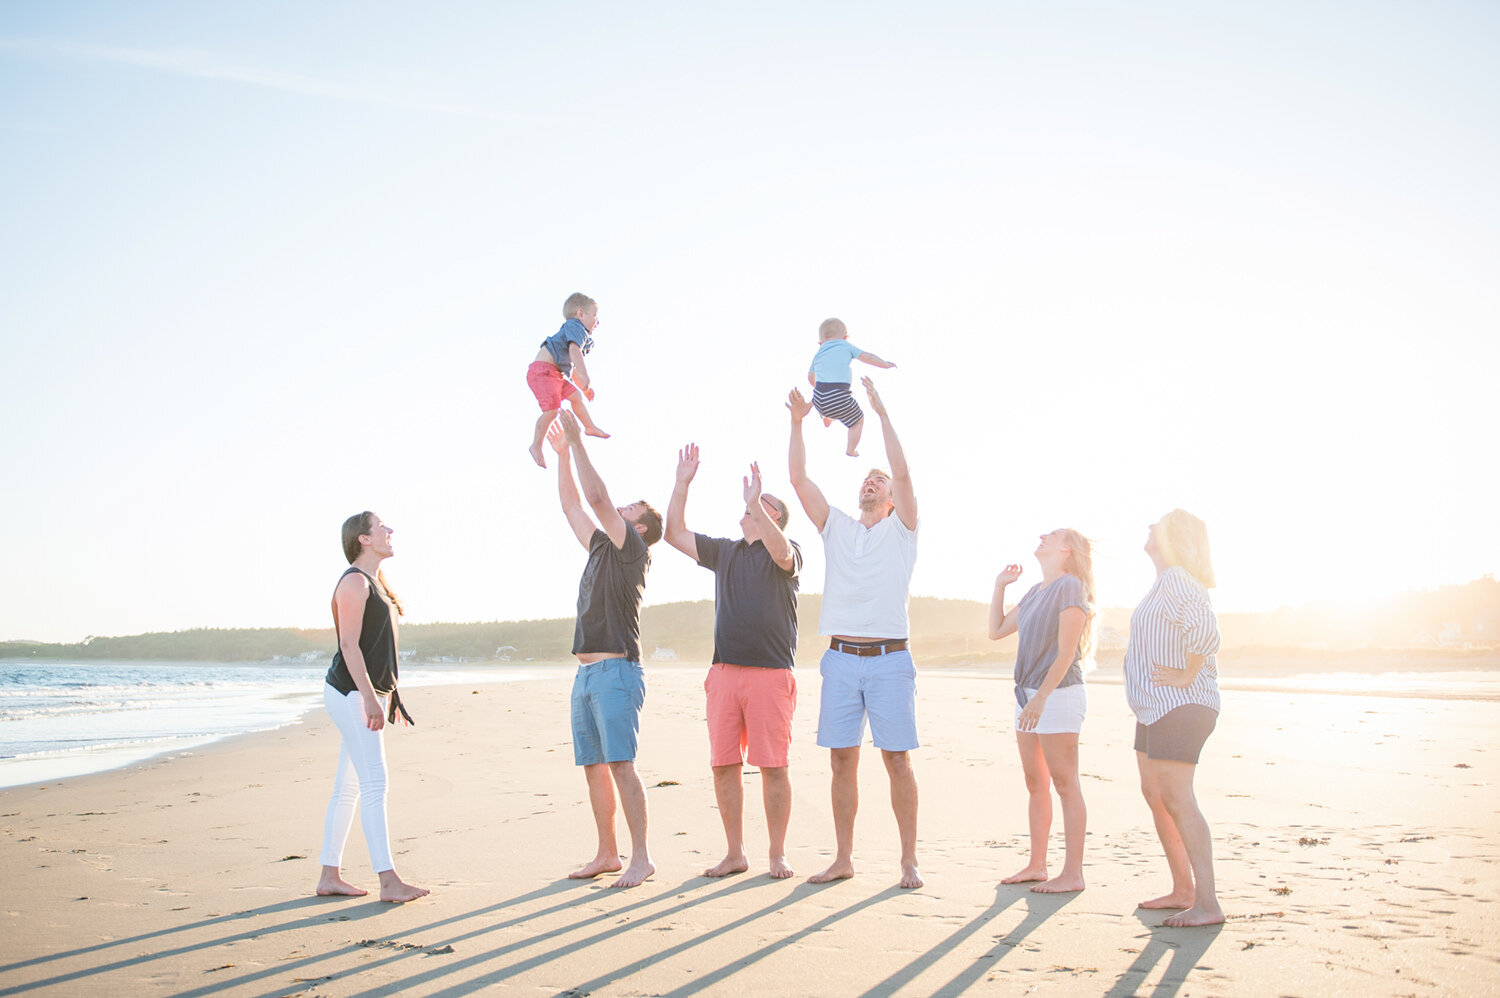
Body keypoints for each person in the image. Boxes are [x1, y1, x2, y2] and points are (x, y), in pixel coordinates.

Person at [787, 375, 923, 889]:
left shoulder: (903, 529)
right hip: (841, 658)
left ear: (891, 497)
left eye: (879, 480)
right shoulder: (838, 527)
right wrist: (798, 423)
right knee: (841, 761)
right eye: (866, 478)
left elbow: (905, 472)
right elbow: (799, 480)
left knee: (896, 760)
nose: (871, 482)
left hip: (890, 659)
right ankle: (843, 858)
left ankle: (908, 860)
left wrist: (881, 415)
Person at [663, 445, 802, 879]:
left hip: (770, 674)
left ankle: (777, 853)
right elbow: (673, 532)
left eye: (763, 508)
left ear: (773, 517)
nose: (751, 511)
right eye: (748, 507)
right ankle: (735, 853)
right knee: (724, 764)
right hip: (724, 673)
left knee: (773, 766)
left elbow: (782, 554)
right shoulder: (725, 552)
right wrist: (683, 482)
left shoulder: (787, 550)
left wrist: (756, 504)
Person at [548, 411, 664, 888]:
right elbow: (574, 506)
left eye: (630, 508)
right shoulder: (600, 546)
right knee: (594, 768)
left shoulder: (633, 551)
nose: (622, 507)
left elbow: (596, 499)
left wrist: (577, 441)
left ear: (638, 528)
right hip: (585, 675)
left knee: (621, 766)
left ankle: (642, 858)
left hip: (617, 671)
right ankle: (607, 854)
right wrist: (561, 458)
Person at [315, 511, 429, 903]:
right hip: (350, 693)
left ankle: (329, 875)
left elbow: (379, 648)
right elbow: (349, 645)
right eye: (381, 526)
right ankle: (388, 881)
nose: (389, 530)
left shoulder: (375, 584)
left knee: (348, 787)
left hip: (364, 693)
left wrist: (389, 696)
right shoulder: (353, 582)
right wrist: (367, 697)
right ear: (363, 539)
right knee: (374, 784)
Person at [1126, 509, 1224, 927]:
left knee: (1178, 798)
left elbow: (1207, 632)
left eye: (1157, 525)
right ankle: (1183, 888)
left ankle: (1207, 903)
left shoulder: (1178, 579)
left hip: (1180, 705)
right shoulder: (1163, 583)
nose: (1149, 527)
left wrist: (1186, 674)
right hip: (1155, 707)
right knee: (1157, 793)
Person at [987, 529, 1096, 893]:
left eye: (1051, 536)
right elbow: (997, 630)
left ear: (1066, 548)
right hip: (1027, 694)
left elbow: (1067, 653)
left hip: (1058, 694)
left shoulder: (1070, 586)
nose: (1042, 537)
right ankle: (1037, 864)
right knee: (1036, 782)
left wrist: (1042, 698)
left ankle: (1073, 873)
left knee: (1065, 782)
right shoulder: (1035, 591)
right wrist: (1001, 586)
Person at [527, 292, 610, 468]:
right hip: (543, 372)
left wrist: (584, 388)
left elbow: (571, 368)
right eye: (594, 316)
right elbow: (574, 352)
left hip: (556, 374)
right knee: (552, 411)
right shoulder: (575, 326)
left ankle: (589, 427)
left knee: (576, 397)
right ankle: (536, 444)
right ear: (580, 314)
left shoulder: (580, 336)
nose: (597, 321)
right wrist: (585, 375)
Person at [806, 318, 896, 457]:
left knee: (830, 402)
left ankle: (827, 417)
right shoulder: (845, 345)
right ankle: (851, 449)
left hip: (818, 398)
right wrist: (884, 364)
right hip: (839, 397)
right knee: (858, 420)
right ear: (846, 337)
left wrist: (821, 388)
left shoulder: (819, 353)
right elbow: (868, 357)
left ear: (820, 343)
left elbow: (811, 377)